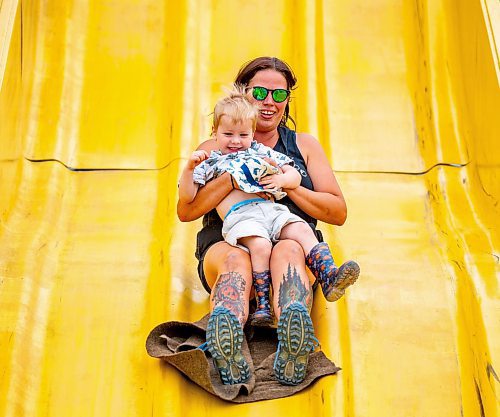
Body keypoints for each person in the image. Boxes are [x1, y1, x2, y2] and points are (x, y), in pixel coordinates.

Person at [177, 57, 360, 386]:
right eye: (260, 91)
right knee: (237, 258)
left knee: (289, 249)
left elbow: (337, 211)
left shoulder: (303, 146)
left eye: (279, 94)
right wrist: (233, 180)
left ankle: (293, 330)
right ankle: (227, 337)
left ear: (288, 99)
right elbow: (185, 211)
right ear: (243, 93)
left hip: (288, 244)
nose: (269, 102)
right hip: (229, 243)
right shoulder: (213, 149)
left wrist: (292, 186)